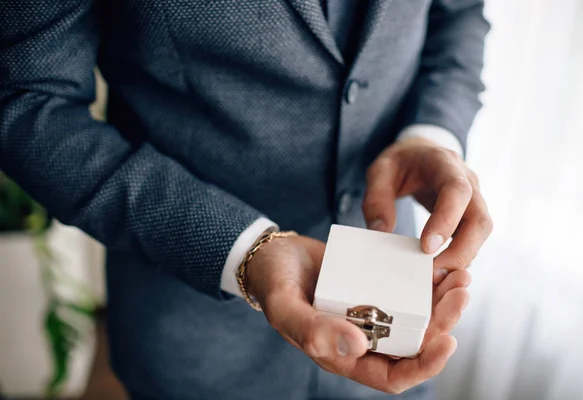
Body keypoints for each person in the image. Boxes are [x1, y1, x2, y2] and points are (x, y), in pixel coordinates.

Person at [0, 0, 492, 399]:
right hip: (196, 331)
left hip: (396, 298)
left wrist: (431, 135)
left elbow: (459, 14)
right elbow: (28, 103)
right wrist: (242, 249)